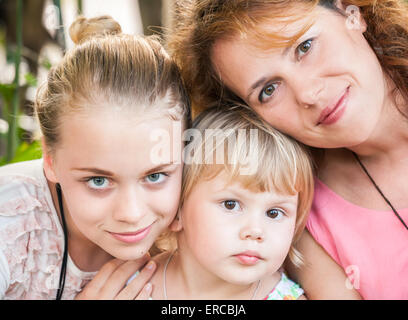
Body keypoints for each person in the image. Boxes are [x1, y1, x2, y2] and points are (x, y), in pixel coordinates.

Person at [167, 0, 408, 299]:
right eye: (269, 90)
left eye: (305, 47)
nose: (307, 93)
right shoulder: (292, 210)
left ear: (350, 12)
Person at [0, 15, 191, 299]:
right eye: (98, 180)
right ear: (50, 160)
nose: (131, 214)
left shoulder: (205, 216)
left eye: (155, 176)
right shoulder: (11, 223)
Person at [148, 105, 314, 300]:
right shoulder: (129, 287)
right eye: (231, 204)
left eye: (274, 213)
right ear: (177, 210)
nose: (255, 231)